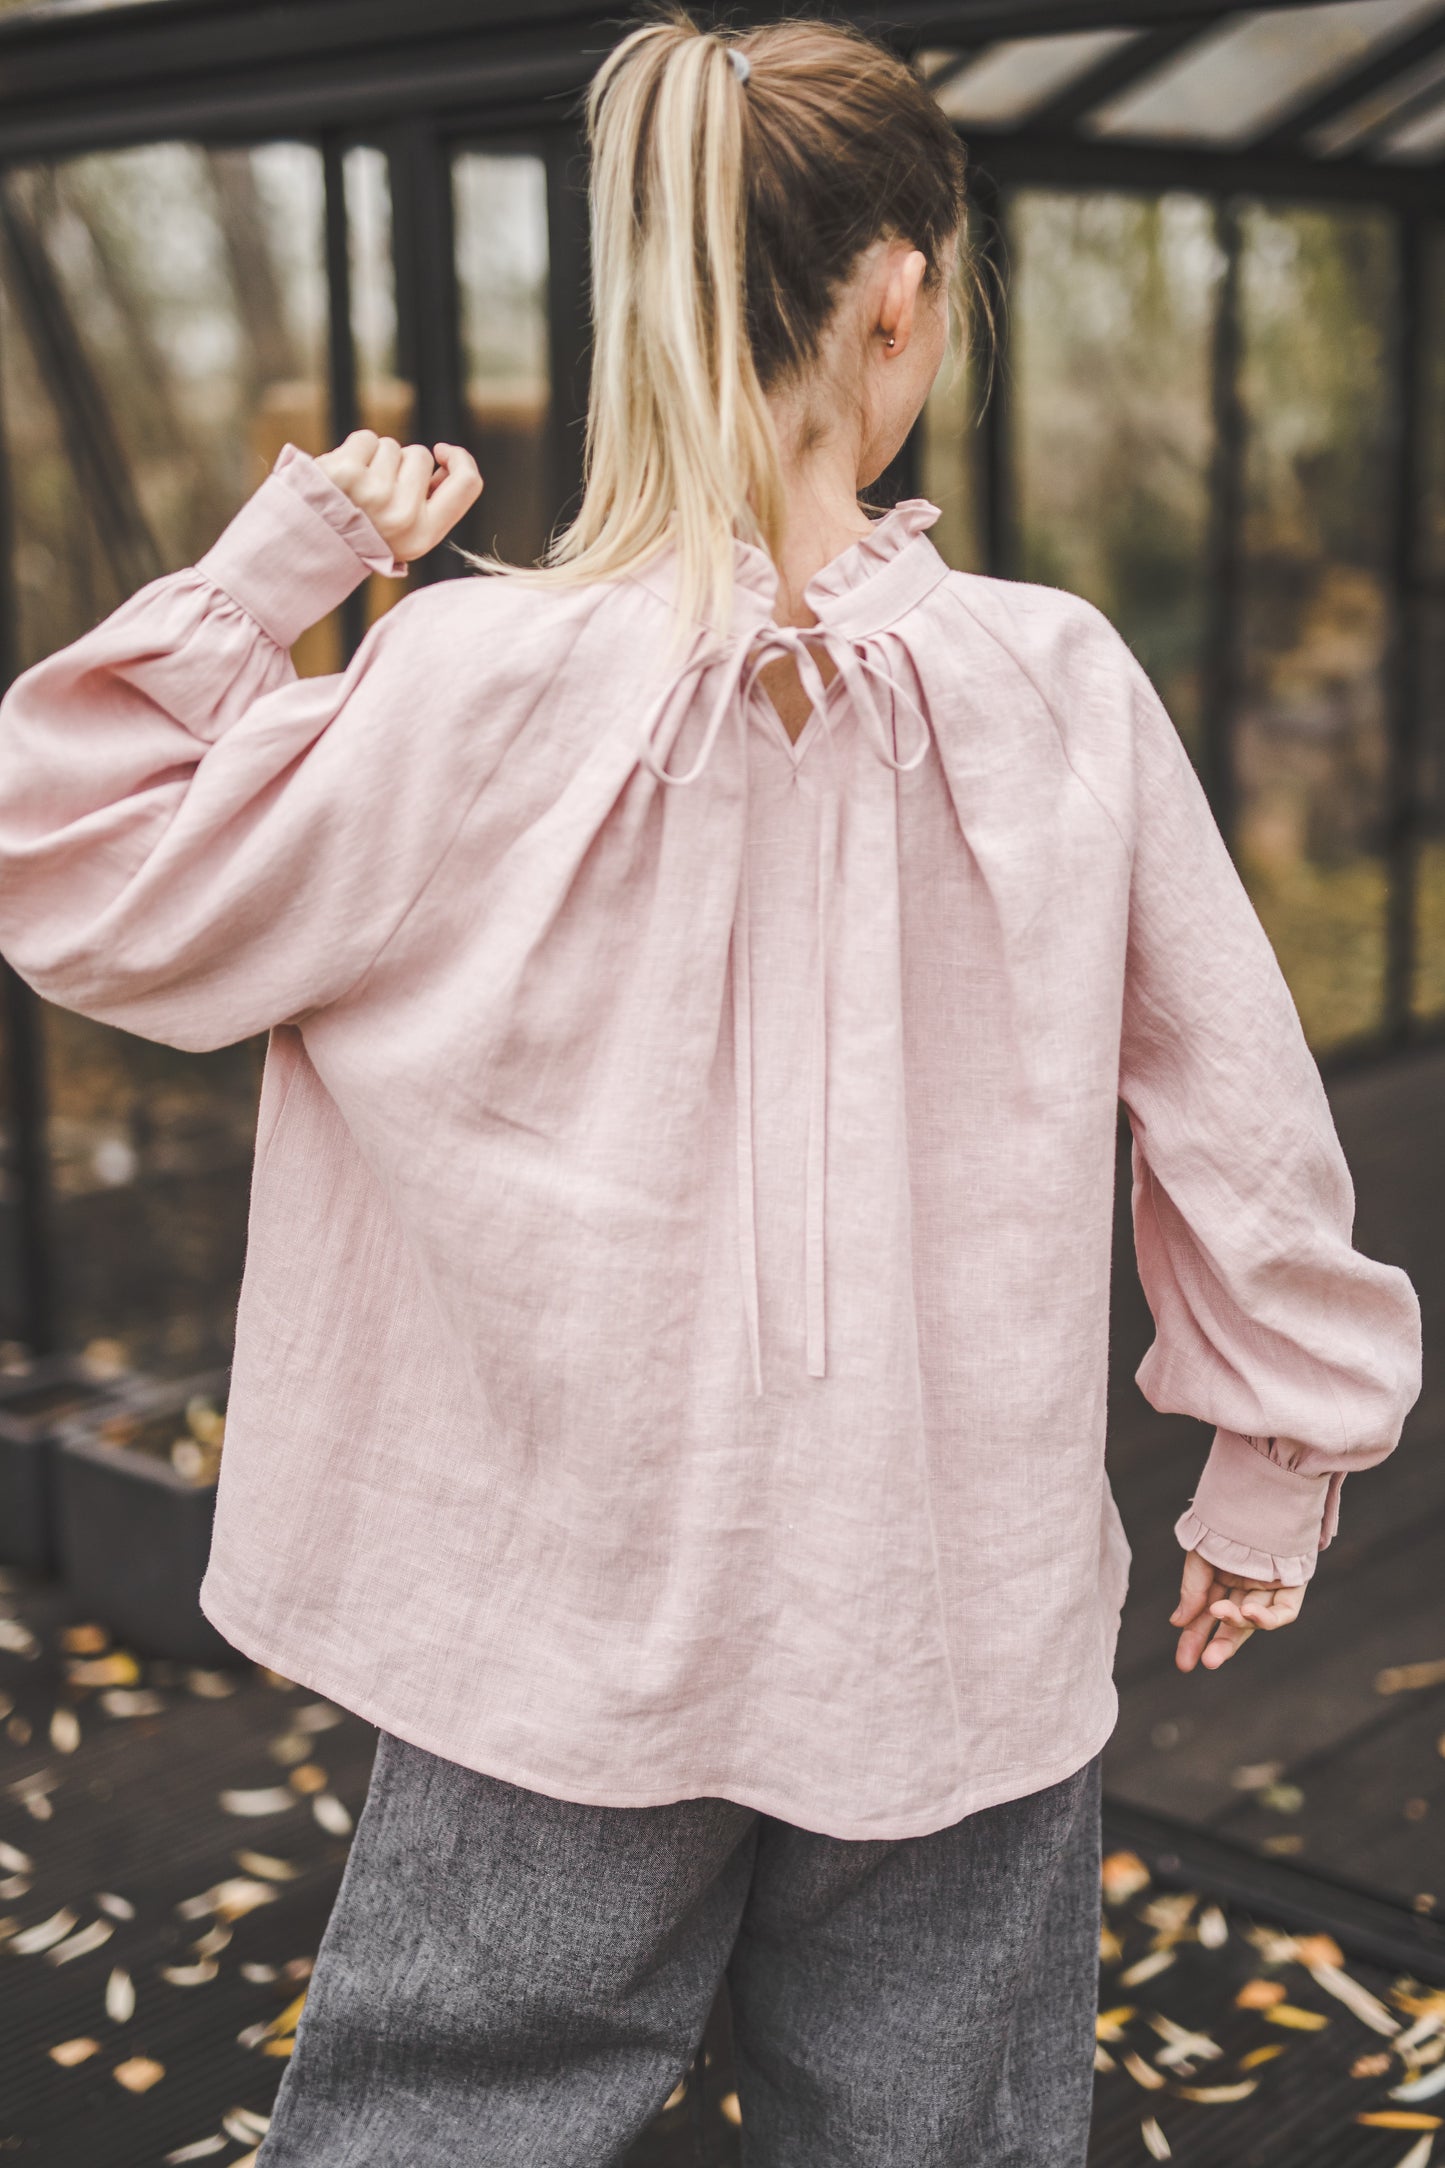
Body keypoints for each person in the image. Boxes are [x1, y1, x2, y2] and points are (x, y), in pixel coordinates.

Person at [0, 11, 1420, 2166]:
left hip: (555, 1634)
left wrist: (285, 567)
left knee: (440, 2134)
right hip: (955, 1631)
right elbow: (1232, 1099)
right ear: (901, 295)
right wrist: (1276, 1455)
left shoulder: (458, 683)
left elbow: (68, 855)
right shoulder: (1060, 687)